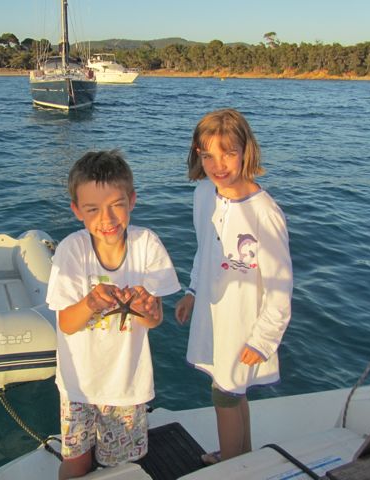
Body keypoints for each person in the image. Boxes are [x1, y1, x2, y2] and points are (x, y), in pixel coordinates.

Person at [47, 150, 180, 479]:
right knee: (77, 462)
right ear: (77, 210)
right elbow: (67, 323)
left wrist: (146, 308)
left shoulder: (147, 244)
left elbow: (153, 320)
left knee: (119, 467)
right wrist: (91, 303)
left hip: (126, 384)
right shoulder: (71, 251)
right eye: (92, 209)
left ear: (132, 200)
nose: (106, 219)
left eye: (116, 205)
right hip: (79, 385)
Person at [175, 109, 293, 464]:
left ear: (246, 151)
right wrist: (193, 291)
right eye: (208, 155)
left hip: (245, 323)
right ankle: (243, 456)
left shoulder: (265, 213)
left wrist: (263, 339)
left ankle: (230, 466)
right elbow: (204, 249)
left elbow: (280, 286)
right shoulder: (203, 194)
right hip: (213, 313)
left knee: (225, 394)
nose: (218, 165)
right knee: (232, 390)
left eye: (228, 153)